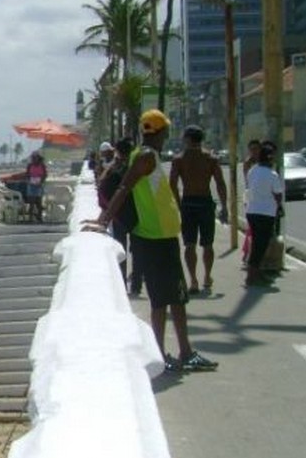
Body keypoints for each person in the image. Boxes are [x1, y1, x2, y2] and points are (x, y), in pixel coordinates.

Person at [84, 109, 218, 373]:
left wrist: (104, 219)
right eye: (166, 132)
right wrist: (103, 220)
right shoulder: (146, 156)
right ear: (159, 132)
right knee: (169, 299)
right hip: (155, 238)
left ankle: (174, 353)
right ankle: (174, 354)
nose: (167, 136)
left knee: (171, 299)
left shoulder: (145, 155)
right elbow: (124, 187)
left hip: (159, 236)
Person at [170, 125, 229, 295]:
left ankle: (194, 280)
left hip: (188, 203)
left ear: (187, 139)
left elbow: (172, 184)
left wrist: (178, 204)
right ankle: (207, 277)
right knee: (207, 244)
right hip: (205, 202)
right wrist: (224, 206)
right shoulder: (210, 158)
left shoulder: (179, 159)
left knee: (189, 244)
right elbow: (220, 183)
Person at [96, 137, 141, 291]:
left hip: (119, 214)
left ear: (117, 151)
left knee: (121, 250)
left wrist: (103, 218)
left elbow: (103, 188)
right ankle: (136, 284)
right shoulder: (137, 167)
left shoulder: (115, 168)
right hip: (136, 212)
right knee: (137, 251)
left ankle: (121, 282)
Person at [244, 142, 283, 287]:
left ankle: (255, 272)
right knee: (261, 245)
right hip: (265, 213)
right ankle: (252, 275)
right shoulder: (272, 174)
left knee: (256, 244)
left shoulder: (253, 170)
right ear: (270, 159)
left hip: (252, 211)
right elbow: (278, 194)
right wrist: (278, 206)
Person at [24, 152, 48, 222]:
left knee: (39, 202)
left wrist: (41, 182)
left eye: (35, 158)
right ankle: (30, 218)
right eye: (32, 158)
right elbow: (27, 175)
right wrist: (29, 181)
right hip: (31, 185)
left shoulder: (42, 166)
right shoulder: (30, 165)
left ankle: (39, 217)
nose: (33, 159)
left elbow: (45, 175)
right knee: (31, 202)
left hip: (39, 185)